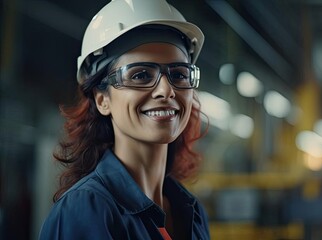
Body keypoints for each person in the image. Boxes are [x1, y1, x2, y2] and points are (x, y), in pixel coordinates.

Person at [39, 0, 210, 239]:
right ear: (102, 100)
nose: (166, 90)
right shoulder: (86, 210)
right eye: (140, 75)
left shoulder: (192, 211)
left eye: (179, 74)